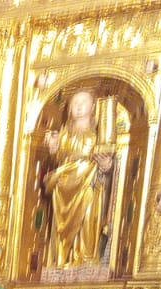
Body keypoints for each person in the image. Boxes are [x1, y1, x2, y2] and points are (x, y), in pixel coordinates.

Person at [43, 90, 113, 269]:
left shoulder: (100, 135)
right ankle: (63, 259)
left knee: (88, 218)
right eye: (75, 103)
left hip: (89, 183)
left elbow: (110, 164)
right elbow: (58, 159)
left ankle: (86, 258)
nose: (79, 106)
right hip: (64, 187)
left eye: (84, 102)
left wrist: (106, 166)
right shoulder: (64, 134)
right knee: (62, 225)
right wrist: (53, 149)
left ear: (93, 107)